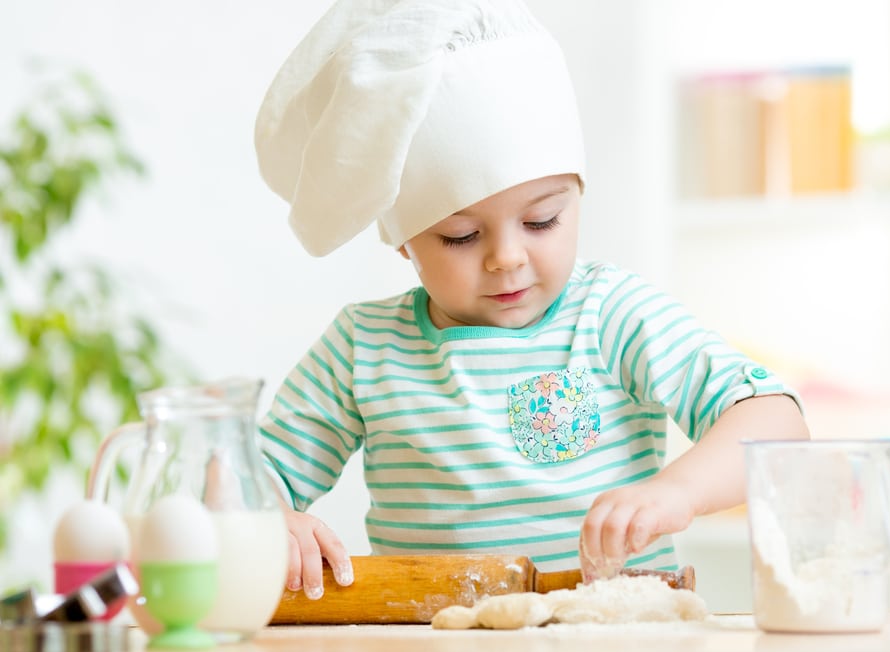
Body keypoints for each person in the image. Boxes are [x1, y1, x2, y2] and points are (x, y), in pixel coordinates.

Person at [253, 0, 810, 602]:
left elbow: (776, 422)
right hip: (430, 644)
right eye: (461, 237)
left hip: (613, 638)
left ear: (577, 197)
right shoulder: (364, 348)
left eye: (542, 220)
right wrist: (268, 518)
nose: (507, 257)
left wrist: (679, 491)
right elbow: (241, 477)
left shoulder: (613, 314)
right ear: (403, 243)